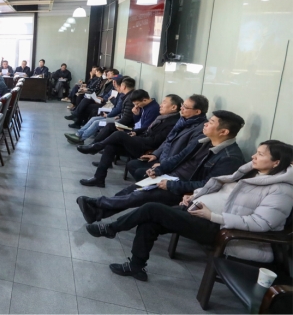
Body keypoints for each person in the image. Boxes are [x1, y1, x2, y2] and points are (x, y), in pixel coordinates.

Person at [84, 140, 293, 282]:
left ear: (276, 162)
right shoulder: (250, 174)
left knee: (152, 208)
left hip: (221, 229)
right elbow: (217, 189)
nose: (254, 156)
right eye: (256, 152)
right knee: (151, 220)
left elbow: (261, 223)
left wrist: (213, 216)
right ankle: (136, 267)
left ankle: (111, 228)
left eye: (260, 154)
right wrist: (194, 196)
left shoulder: (281, 190)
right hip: (202, 214)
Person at [78, 110, 246, 223]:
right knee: (131, 190)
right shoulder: (203, 141)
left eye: (211, 122)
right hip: (171, 177)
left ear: (224, 132)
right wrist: (159, 170)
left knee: (139, 196)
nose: (206, 124)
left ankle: (95, 203)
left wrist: (171, 185)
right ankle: (97, 213)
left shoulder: (230, 158)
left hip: (183, 190)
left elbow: (207, 185)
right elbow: (179, 157)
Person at [77, 94, 183, 187]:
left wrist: (135, 138)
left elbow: (155, 141)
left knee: (119, 134)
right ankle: (99, 178)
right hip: (141, 142)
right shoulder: (163, 117)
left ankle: (96, 147)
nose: (161, 105)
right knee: (111, 146)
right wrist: (135, 132)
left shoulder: (172, 123)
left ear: (173, 107)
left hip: (147, 149)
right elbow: (147, 128)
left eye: (164, 102)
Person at [124, 94, 209, 181]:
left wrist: (163, 166)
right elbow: (168, 140)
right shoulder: (183, 120)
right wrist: (155, 154)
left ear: (197, 112)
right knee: (132, 164)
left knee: (140, 172)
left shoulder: (200, 130)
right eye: (182, 105)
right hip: (163, 158)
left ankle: (149, 186)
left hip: (173, 166)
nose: (181, 108)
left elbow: (184, 156)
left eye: (185, 107)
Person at [66, 75, 128, 144]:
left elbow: (119, 109)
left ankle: (81, 138)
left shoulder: (123, 96)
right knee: (94, 118)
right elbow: (117, 107)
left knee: (97, 122)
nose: (113, 83)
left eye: (114, 82)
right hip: (114, 115)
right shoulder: (119, 93)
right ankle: (78, 134)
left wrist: (108, 115)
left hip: (116, 119)